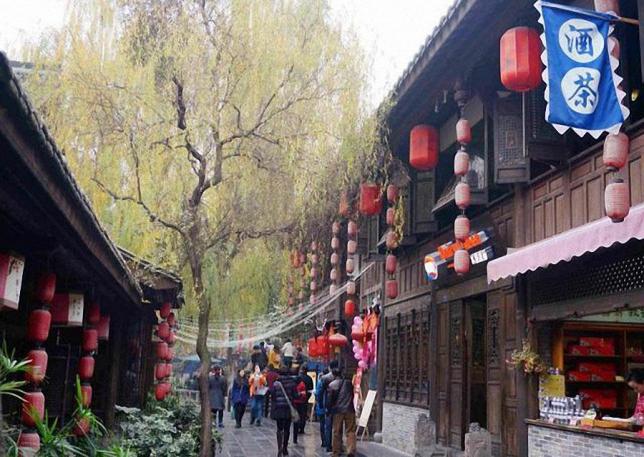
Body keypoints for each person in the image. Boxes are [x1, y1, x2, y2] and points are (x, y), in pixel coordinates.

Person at [326, 365, 356, 457]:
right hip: (350, 409)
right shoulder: (349, 383)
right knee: (350, 431)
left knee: (337, 431)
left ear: (334, 375)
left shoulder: (332, 385)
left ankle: (336, 452)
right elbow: (352, 395)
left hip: (338, 410)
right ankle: (350, 450)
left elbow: (329, 400)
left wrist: (328, 410)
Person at [270, 369, 298, 457]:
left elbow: (273, 396)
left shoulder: (276, 384)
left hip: (279, 408)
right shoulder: (292, 383)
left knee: (279, 429)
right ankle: (285, 448)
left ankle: (279, 448)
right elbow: (295, 396)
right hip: (288, 409)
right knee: (287, 429)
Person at [319, 360, 339, 452]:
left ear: (330, 367)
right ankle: (337, 445)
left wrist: (320, 403)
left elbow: (320, 392)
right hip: (338, 404)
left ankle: (328, 445)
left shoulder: (324, 378)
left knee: (328, 426)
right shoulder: (341, 377)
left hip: (328, 403)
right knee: (337, 426)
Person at [315, 367, 330, 448]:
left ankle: (324, 441)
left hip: (321, 406)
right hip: (328, 406)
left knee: (322, 424)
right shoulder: (330, 381)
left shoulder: (320, 382)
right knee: (328, 425)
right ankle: (328, 441)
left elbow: (318, 394)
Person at [291, 368, 307, 445]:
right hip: (301, 403)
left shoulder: (293, 384)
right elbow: (304, 395)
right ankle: (296, 436)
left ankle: (294, 437)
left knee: (295, 420)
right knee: (299, 418)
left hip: (294, 403)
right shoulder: (302, 384)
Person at [297, 365, 314, 434]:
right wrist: (307, 397)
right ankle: (302, 428)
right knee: (303, 414)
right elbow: (311, 389)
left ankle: (297, 427)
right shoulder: (309, 378)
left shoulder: (299, 378)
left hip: (298, 398)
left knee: (298, 413)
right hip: (305, 398)